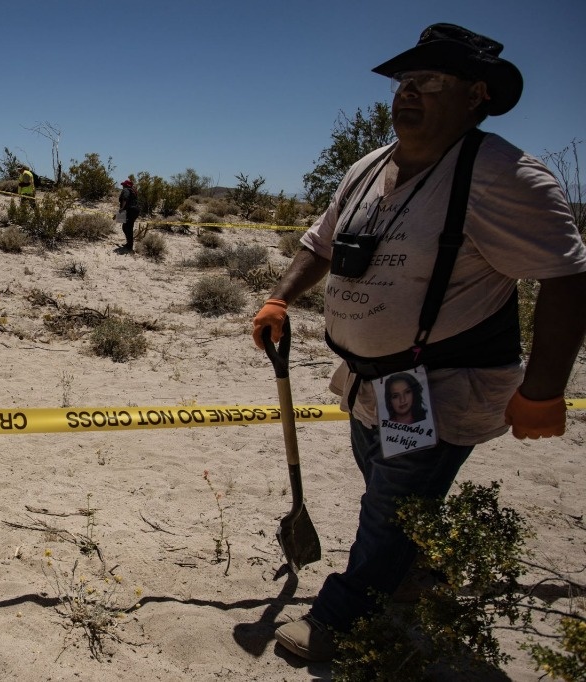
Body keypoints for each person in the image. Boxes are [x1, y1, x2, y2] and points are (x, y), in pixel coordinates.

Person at [251, 23, 586, 662]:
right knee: (386, 488)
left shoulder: (505, 175)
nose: (409, 93)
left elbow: (568, 280)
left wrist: (544, 392)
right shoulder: (368, 166)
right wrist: (279, 297)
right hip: (366, 379)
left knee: (390, 506)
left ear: (476, 95)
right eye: (405, 81)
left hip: (437, 386)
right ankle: (407, 573)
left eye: (431, 82)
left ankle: (343, 612)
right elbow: (321, 244)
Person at [117, 176, 140, 252]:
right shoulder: (133, 191)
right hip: (134, 210)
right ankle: (129, 243)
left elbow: (125, 199)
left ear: (126, 185)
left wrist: (121, 209)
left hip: (129, 210)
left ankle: (129, 246)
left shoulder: (126, 190)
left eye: (123, 184)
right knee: (125, 227)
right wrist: (118, 213)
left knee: (128, 228)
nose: (122, 186)